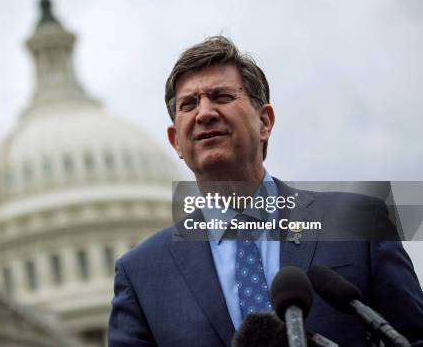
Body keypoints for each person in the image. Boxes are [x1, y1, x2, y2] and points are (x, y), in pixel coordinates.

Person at [107, 36, 423, 346]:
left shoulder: (358, 223)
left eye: (221, 96)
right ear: (176, 141)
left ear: (265, 122)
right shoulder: (141, 274)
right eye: (189, 104)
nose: (204, 113)